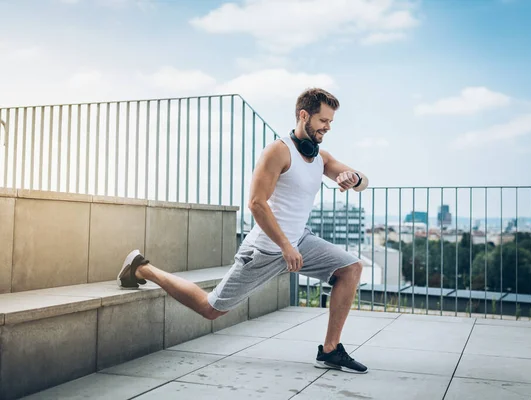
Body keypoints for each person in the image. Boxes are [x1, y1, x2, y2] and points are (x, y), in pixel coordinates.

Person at [117, 88, 369, 374]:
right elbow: (256, 204)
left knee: (351, 267)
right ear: (303, 115)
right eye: (323, 120)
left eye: (330, 122)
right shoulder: (278, 151)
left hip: (300, 240)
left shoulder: (321, 157)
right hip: (266, 248)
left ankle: (330, 350)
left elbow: (361, 181)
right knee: (210, 309)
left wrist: (354, 177)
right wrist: (285, 246)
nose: (327, 127)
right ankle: (143, 268)